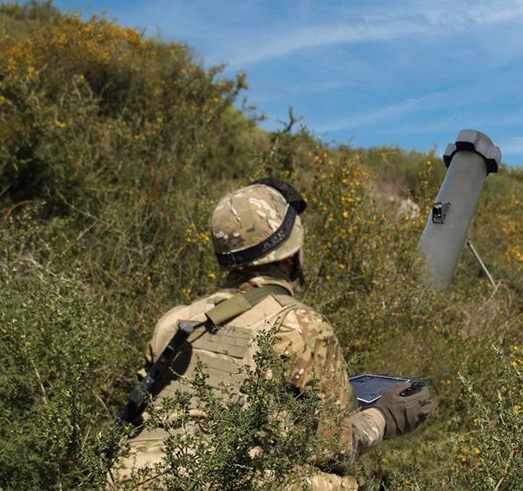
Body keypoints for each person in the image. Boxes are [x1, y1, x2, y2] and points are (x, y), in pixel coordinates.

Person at [110, 178, 432, 489]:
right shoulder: (301, 326)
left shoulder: (176, 321)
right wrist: (384, 417)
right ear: (291, 253)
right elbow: (335, 449)